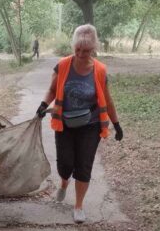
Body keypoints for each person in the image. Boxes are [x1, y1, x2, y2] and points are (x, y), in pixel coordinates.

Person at [36, 24, 123, 223]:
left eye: (86, 51)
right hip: (64, 124)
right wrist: (42, 104)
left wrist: (116, 124)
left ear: (94, 49)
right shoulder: (63, 65)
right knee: (65, 164)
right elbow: (51, 89)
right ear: (73, 46)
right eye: (78, 50)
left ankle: (78, 205)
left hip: (90, 126)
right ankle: (64, 182)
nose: (81, 54)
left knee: (84, 165)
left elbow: (107, 100)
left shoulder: (100, 70)